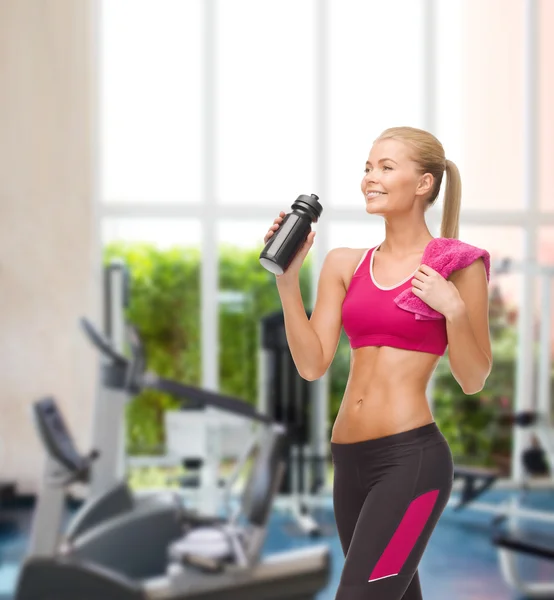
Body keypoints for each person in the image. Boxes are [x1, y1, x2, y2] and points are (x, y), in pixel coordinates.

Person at [263, 126, 493, 600]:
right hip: (349, 463)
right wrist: (288, 283)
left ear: (424, 184)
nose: (371, 177)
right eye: (368, 167)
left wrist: (452, 309)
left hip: (412, 464)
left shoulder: (457, 268)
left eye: (387, 167)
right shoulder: (344, 264)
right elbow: (312, 364)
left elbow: (474, 378)